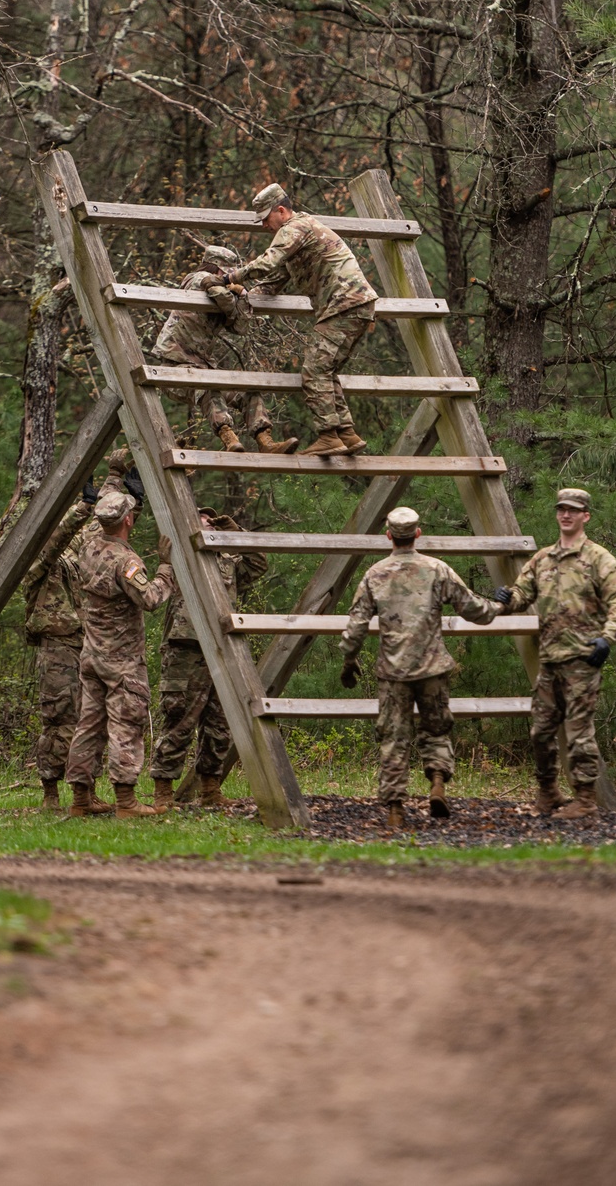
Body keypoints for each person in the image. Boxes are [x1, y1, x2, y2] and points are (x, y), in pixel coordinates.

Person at [339, 507, 501, 829]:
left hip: (393, 673)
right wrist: (499, 605)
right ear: (417, 533)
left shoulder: (375, 574)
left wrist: (349, 658)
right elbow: (474, 610)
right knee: (437, 730)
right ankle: (438, 782)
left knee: (394, 739)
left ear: (388, 535)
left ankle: (396, 810)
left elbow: (356, 624)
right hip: (432, 669)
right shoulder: (437, 570)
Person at [204, 184, 378, 457]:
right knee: (325, 370)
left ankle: (328, 436)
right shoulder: (297, 239)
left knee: (313, 370)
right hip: (353, 305)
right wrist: (242, 295)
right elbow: (272, 282)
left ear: (281, 211)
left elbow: (268, 262)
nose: (263, 226)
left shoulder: (295, 227)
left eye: (265, 218)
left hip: (344, 304)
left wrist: (228, 278)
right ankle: (346, 434)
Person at [494, 488, 616, 821]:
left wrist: (607, 639)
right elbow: (520, 596)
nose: (566, 515)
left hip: (582, 659)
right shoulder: (542, 559)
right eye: (561, 509)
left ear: (586, 515)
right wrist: (504, 598)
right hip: (550, 658)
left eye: (573, 510)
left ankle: (584, 799)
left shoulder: (599, 559)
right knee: (540, 731)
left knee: (580, 733)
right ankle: (548, 792)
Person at [21, 449, 131, 813]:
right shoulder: (38, 560)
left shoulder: (76, 553)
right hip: (58, 644)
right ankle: (50, 792)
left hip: (86, 642)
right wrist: (82, 506)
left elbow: (102, 519)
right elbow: (60, 537)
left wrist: (116, 475)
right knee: (59, 717)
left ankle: (86, 792)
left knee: (91, 718)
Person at [65, 488, 174, 818]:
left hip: (92, 655)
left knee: (88, 725)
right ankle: (126, 802)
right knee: (126, 725)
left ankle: (81, 800)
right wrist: (167, 566)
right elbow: (151, 598)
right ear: (128, 519)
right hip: (121, 660)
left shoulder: (88, 548)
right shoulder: (126, 561)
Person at [150, 507, 267, 812]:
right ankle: (163, 791)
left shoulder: (227, 558)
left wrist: (235, 533)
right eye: (202, 518)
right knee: (179, 719)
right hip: (186, 648)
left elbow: (259, 563)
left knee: (220, 721)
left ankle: (210, 789)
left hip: (223, 646)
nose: (208, 522)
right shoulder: (179, 555)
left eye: (212, 519)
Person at [151, 242, 298, 454]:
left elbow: (240, 326)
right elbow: (223, 298)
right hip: (174, 367)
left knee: (248, 390)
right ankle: (229, 438)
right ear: (216, 269)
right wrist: (236, 294)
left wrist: (243, 295)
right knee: (209, 386)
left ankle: (266, 441)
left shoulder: (219, 287)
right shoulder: (197, 279)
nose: (229, 278)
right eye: (226, 273)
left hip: (203, 367)